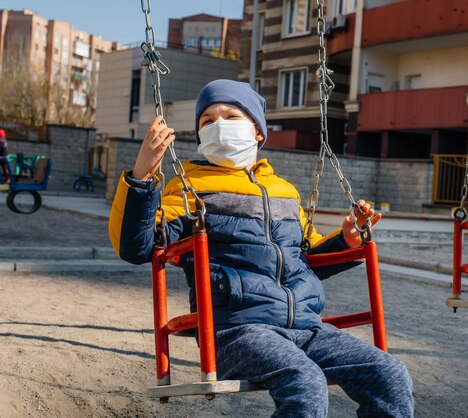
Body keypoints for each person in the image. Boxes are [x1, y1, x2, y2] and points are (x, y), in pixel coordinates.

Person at [108, 79, 414, 417]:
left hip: (305, 324)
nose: (219, 126)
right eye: (207, 121)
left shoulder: (284, 191)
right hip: (238, 328)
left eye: (231, 116)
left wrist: (347, 240)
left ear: (257, 131)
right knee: (305, 381)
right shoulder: (189, 189)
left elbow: (306, 259)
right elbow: (138, 247)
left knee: (389, 373)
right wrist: (141, 177)